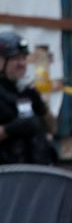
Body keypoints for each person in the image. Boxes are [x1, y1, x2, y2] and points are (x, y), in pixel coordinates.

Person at [0, 31, 57, 165]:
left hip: (34, 174)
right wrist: (11, 128)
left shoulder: (28, 91)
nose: (21, 64)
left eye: (23, 58)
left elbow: (51, 129)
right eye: (15, 59)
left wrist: (43, 109)